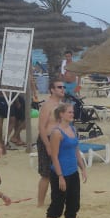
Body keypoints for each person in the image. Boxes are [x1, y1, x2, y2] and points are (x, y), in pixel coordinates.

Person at [46, 103, 87, 218]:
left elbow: (76, 151)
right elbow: (54, 156)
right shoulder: (56, 132)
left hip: (73, 172)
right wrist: (60, 176)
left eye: (72, 112)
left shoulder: (72, 129)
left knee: (73, 205)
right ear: (61, 114)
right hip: (60, 173)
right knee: (56, 206)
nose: (72, 114)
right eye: (69, 112)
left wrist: (83, 167)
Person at [36, 79, 66, 208]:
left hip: (59, 139)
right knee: (46, 174)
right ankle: (40, 203)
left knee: (60, 172)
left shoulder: (62, 105)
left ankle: (58, 200)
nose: (62, 89)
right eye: (59, 87)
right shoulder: (47, 105)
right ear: (52, 90)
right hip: (47, 139)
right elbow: (41, 127)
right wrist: (47, 145)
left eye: (63, 87)